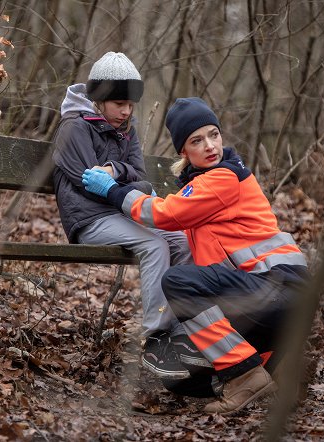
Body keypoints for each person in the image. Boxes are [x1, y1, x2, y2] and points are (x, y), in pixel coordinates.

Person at [81, 97, 309, 414]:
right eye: (197, 140)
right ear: (184, 151)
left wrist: (112, 190)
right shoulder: (204, 184)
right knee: (184, 377)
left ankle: (245, 376)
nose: (210, 145)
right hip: (267, 301)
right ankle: (275, 369)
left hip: (280, 292)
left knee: (177, 282)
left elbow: (163, 214)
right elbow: (183, 219)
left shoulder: (224, 177)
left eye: (214, 135)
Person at [51, 52, 193, 379]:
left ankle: (186, 329)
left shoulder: (126, 128)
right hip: (89, 220)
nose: (127, 111)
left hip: (122, 212)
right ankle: (157, 339)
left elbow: (141, 178)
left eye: (130, 104)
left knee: (181, 239)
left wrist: (115, 169)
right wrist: (122, 181)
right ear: (99, 99)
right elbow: (89, 186)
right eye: (119, 104)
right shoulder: (74, 127)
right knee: (155, 244)